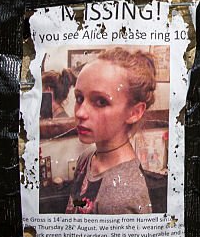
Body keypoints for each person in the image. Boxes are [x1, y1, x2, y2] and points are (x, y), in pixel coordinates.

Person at [65, 48, 166, 215]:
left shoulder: (123, 196)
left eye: (101, 102)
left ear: (134, 112)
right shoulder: (87, 158)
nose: (80, 113)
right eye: (79, 98)